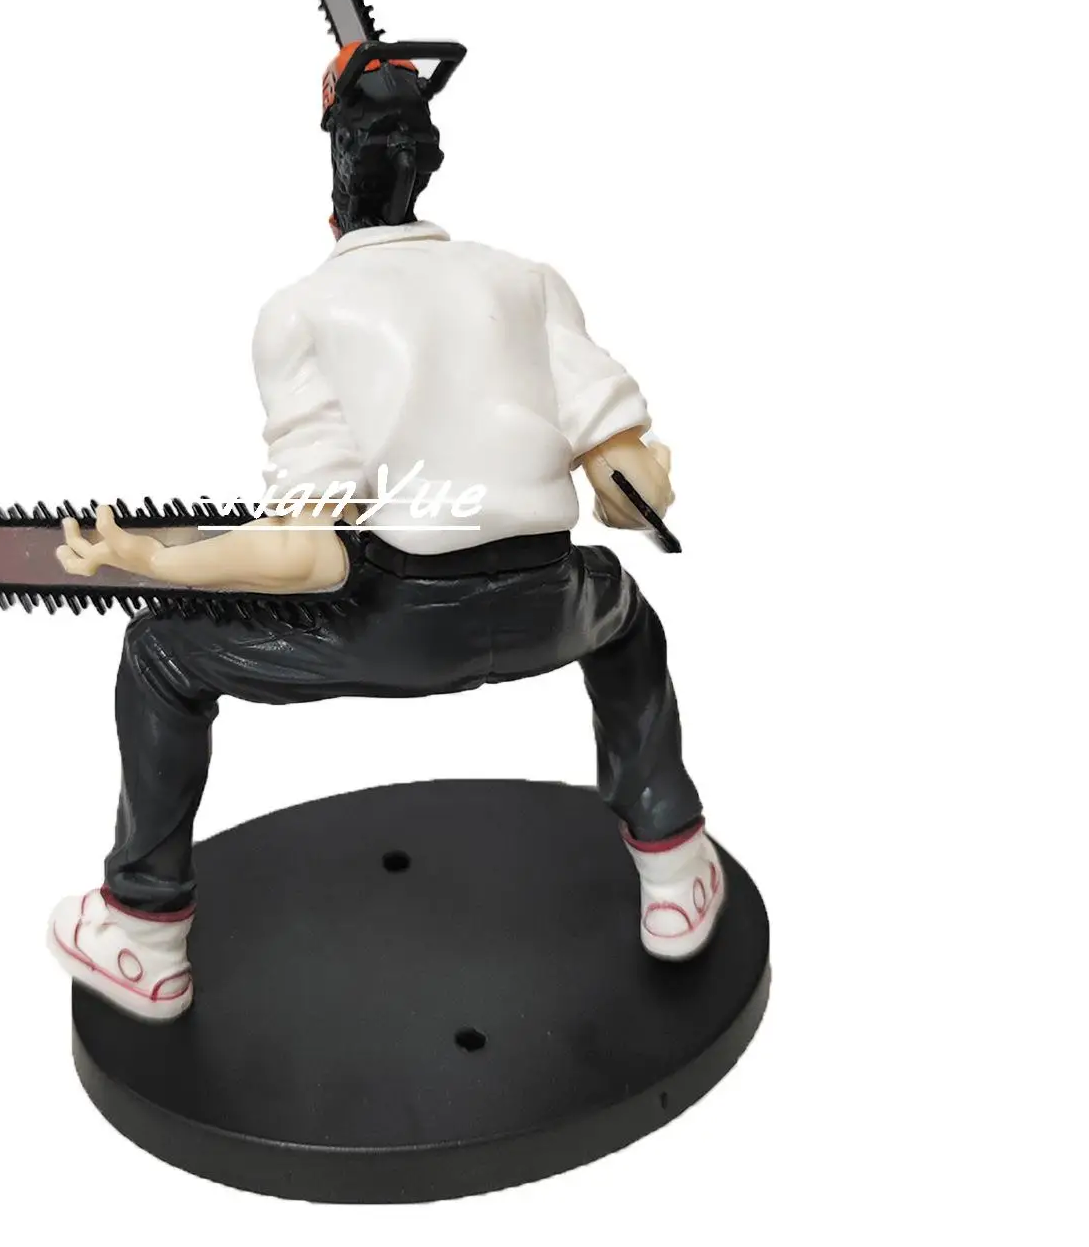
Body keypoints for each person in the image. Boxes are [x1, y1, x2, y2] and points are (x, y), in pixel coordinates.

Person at [48, 52, 724, 1021]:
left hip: (402, 628)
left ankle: (143, 933)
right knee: (626, 617)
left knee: (161, 654)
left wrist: (158, 561)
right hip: (553, 607)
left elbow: (306, 555)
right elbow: (626, 481)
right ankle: (674, 861)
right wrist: (638, 479)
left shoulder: (300, 312)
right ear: (426, 167)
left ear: (334, 197)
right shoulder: (526, 280)